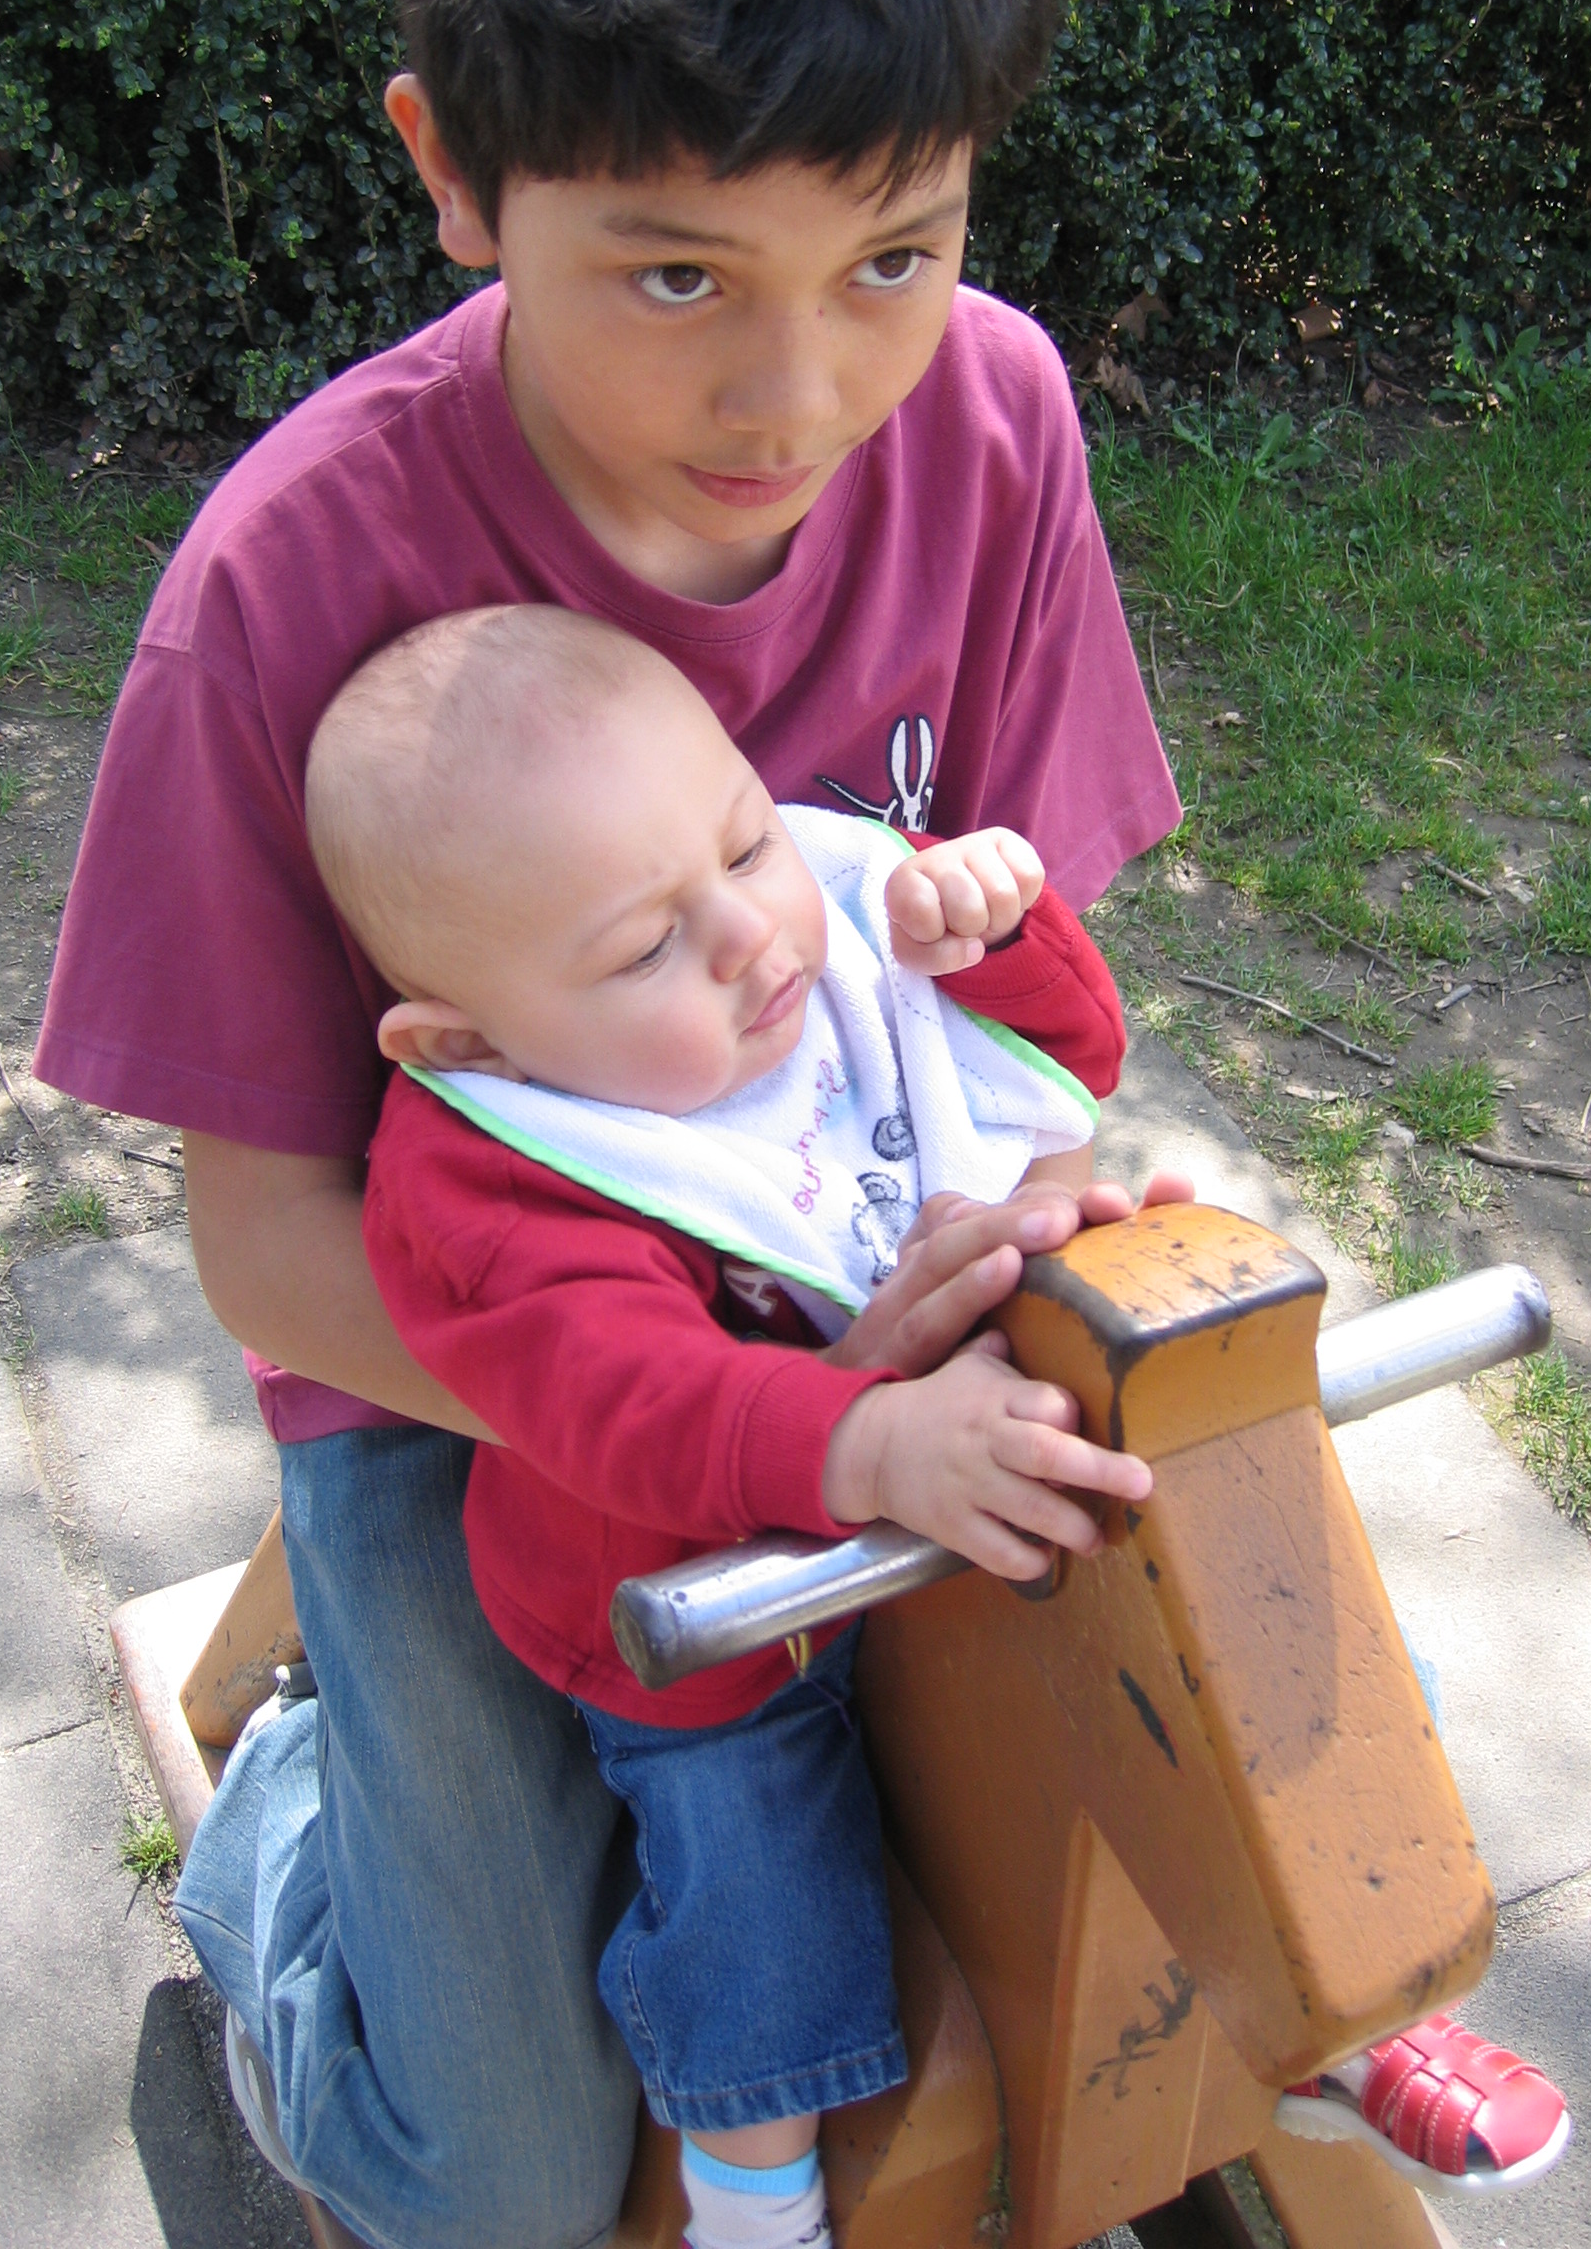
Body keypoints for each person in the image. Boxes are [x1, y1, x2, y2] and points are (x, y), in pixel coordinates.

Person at [33, 0, 1564, 2232]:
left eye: (895, 255)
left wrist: (1037, 1200)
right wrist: (734, 1410)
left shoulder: (993, 420)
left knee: (1206, 1624)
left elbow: (1020, 1005)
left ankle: (1333, 2012)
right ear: (454, 171)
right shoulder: (286, 590)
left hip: (869, 1283)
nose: (798, 392)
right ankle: (293, 1838)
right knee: (497, 2183)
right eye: (673, 277)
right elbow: (272, 1250)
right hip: (481, 1375)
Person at [297, 603, 1154, 2249]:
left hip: (942, 1471)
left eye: (750, 843)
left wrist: (997, 935)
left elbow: (1064, 1060)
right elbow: (636, 1406)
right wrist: (868, 1445)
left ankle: (1335, 1994)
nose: (756, 937)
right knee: (759, 1879)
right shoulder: (487, 1177)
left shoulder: (819, 939)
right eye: (643, 952)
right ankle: (751, 2197)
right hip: (703, 1597)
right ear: (468, 1040)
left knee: (1201, 1584)